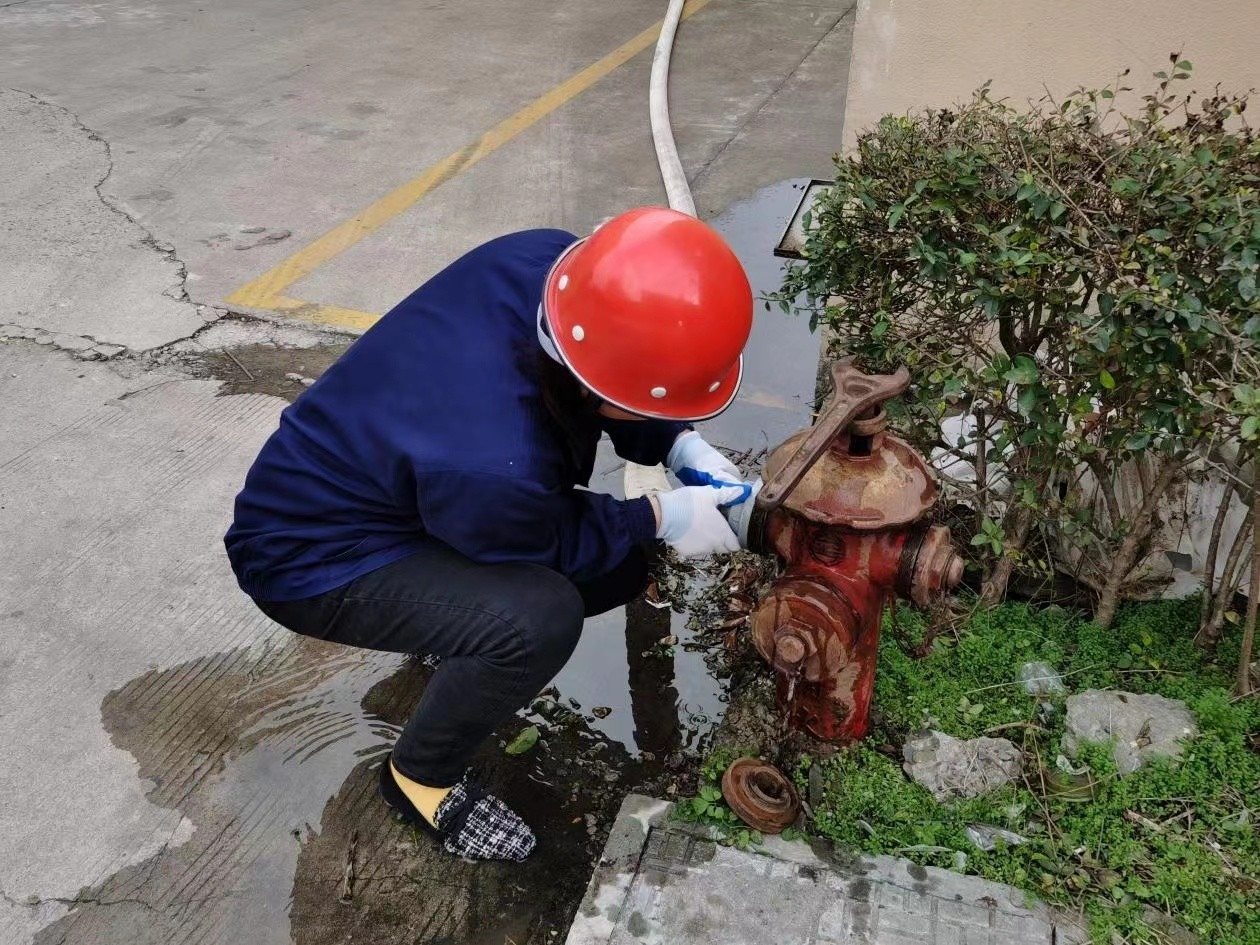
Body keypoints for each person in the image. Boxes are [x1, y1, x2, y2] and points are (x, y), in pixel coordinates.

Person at [225, 207, 754, 862]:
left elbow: (605, 371)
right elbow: (548, 533)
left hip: (395, 484)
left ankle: (452, 635)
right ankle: (419, 777)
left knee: (618, 566)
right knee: (539, 619)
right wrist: (659, 516)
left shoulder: (547, 262)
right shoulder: (498, 461)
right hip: (307, 556)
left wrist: (678, 445)